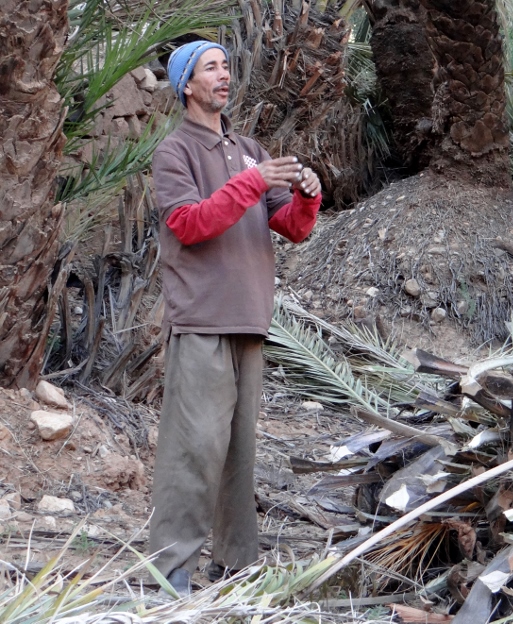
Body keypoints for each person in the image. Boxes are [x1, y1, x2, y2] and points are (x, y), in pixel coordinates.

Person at [149, 39, 323, 596]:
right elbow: (189, 223)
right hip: (201, 319)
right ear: (186, 85)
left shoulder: (249, 150)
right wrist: (254, 181)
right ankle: (171, 570)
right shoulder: (175, 152)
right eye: (211, 68)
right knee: (194, 449)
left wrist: (308, 196)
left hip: (249, 320)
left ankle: (235, 568)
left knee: (239, 455)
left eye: (226, 66)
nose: (224, 75)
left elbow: (292, 227)